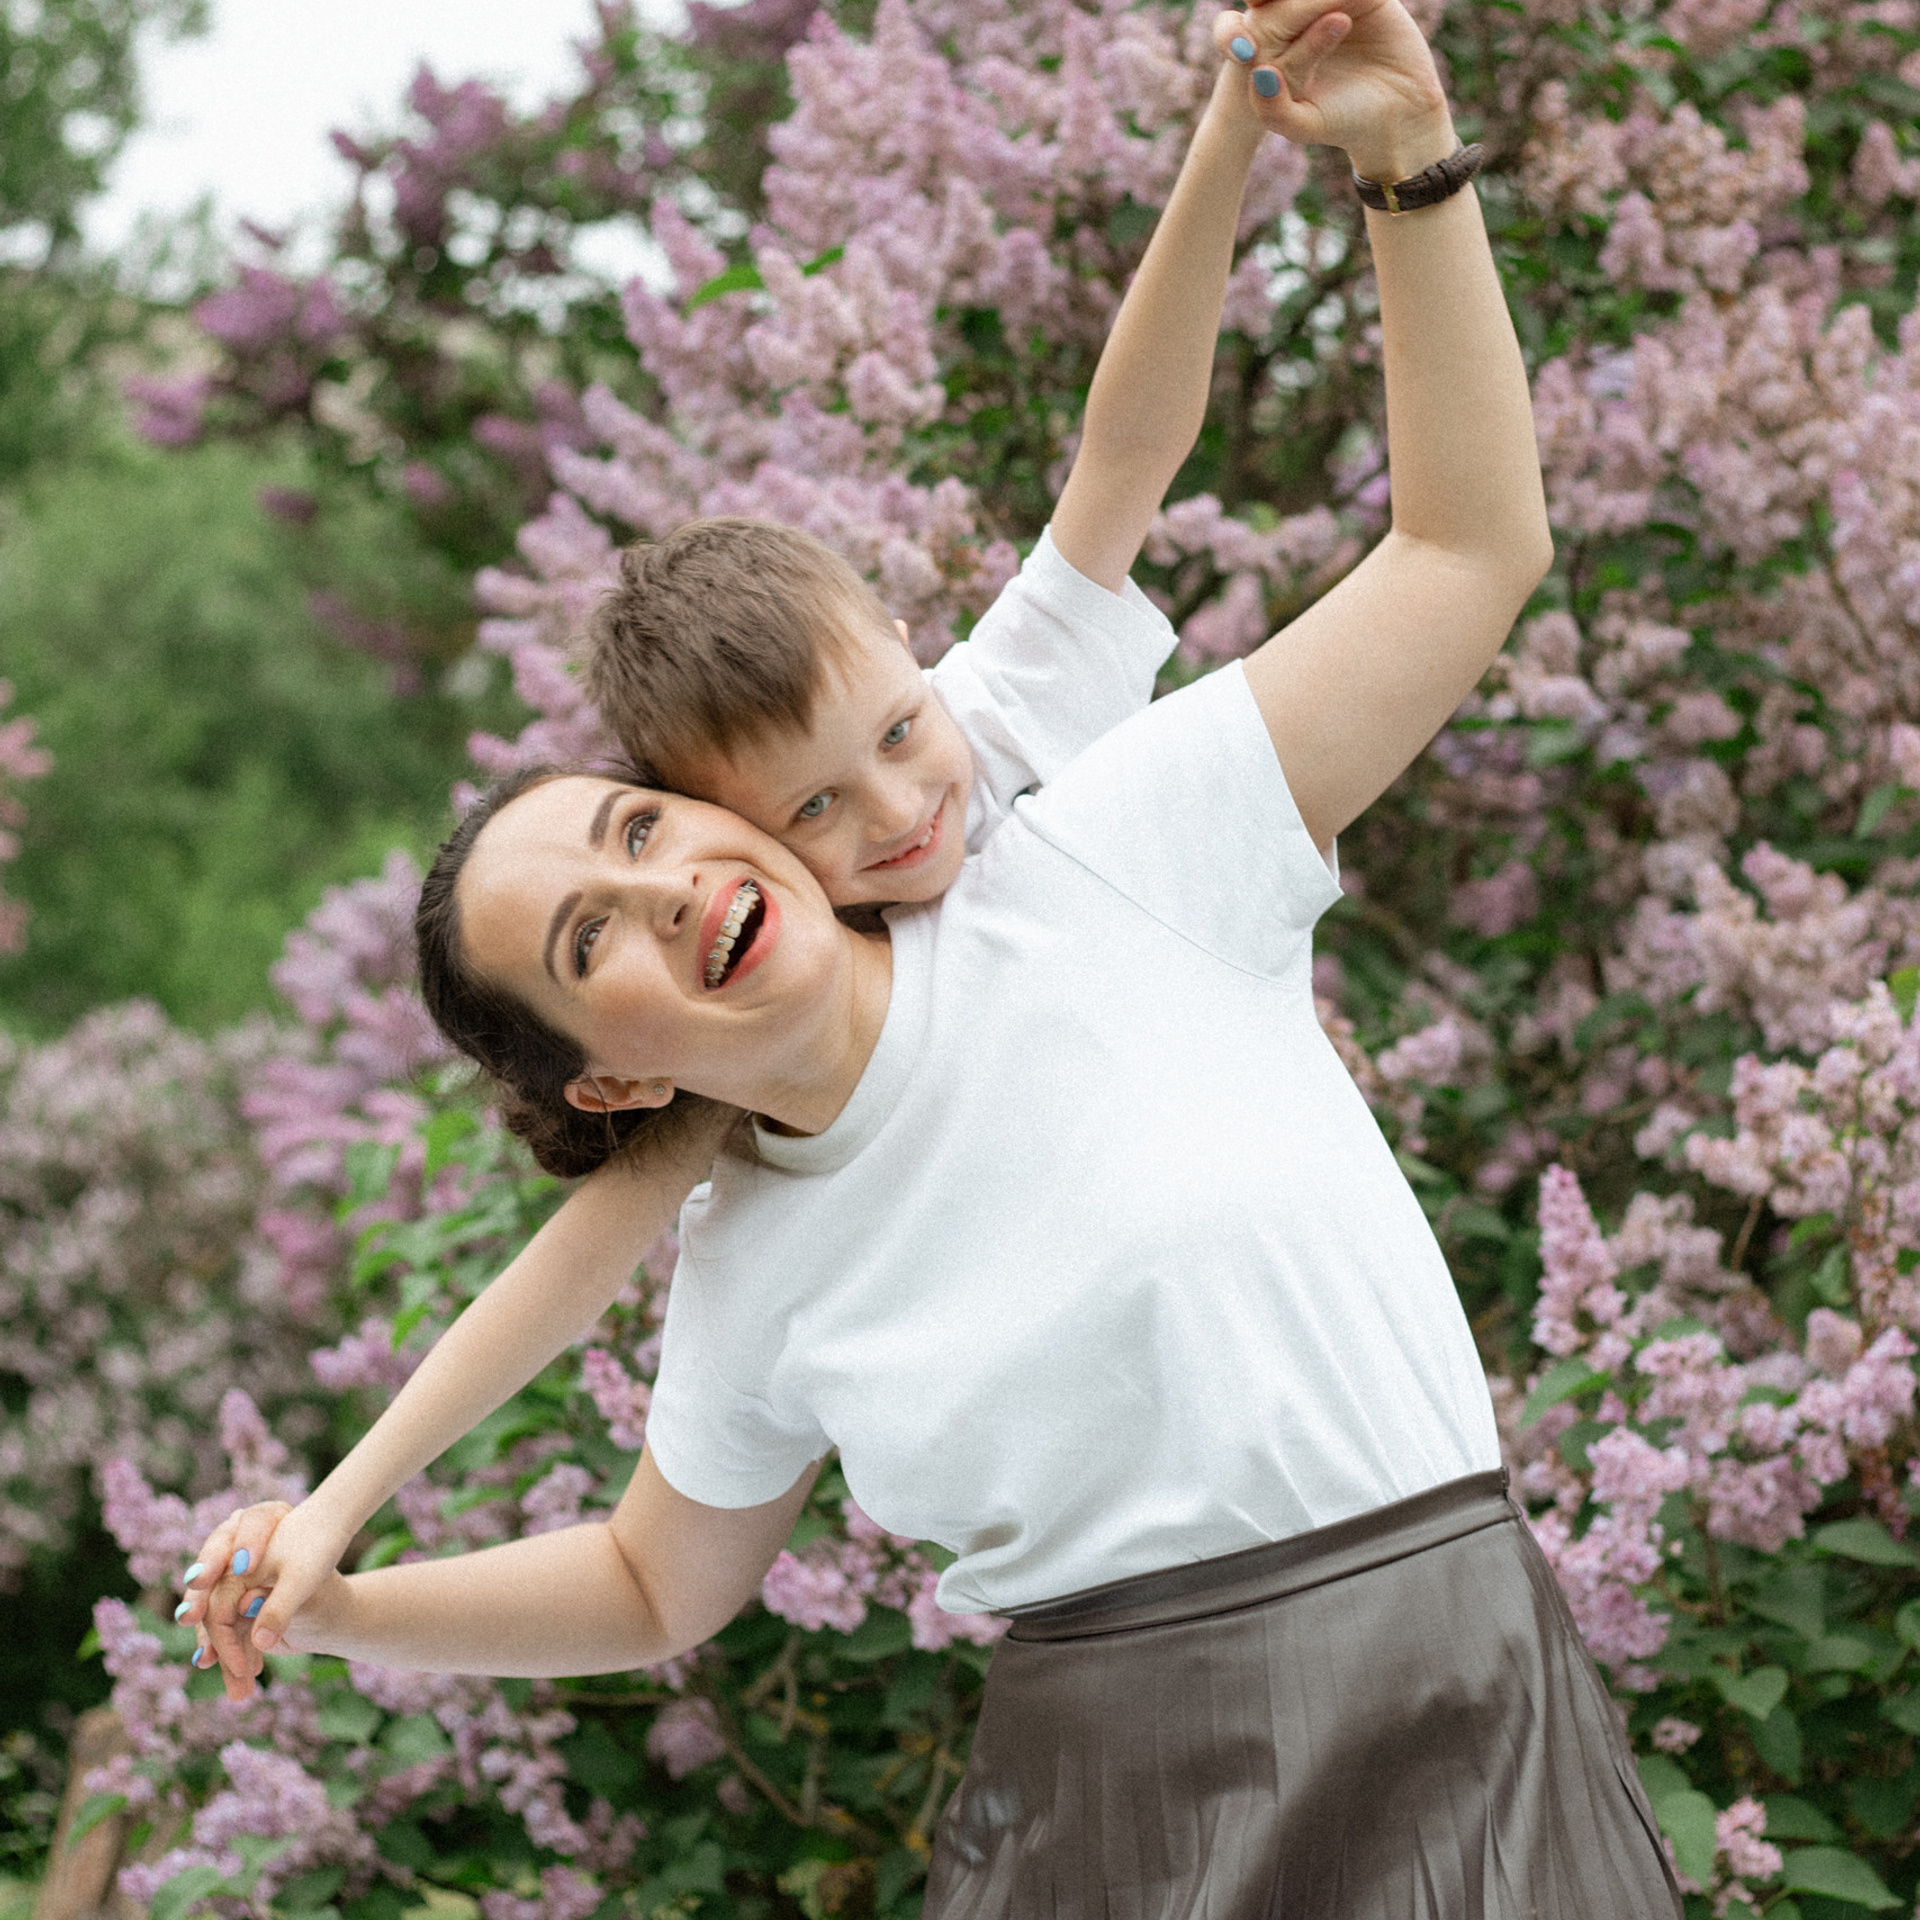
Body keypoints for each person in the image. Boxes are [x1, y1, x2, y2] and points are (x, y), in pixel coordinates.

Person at [181, 2, 1684, 1912]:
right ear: (613, 1075)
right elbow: (657, 1579)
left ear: (709, 816)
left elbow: (1463, 546)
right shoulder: (744, 1247)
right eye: (588, 936)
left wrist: (1403, 155)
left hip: (1456, 1689)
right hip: (1104, 1812)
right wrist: (333, 1594)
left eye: (638, 834)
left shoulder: (1110, 847)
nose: (655, 892)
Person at [172, 0, 1284, 1654]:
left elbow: (1126, 453)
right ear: (742, 824)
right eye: (816, 810)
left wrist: (1233, 127)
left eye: (901, 739)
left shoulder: (988, 722)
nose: (902, 815)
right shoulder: (771, 1014)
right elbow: (571, 1274)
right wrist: (335, 1518)